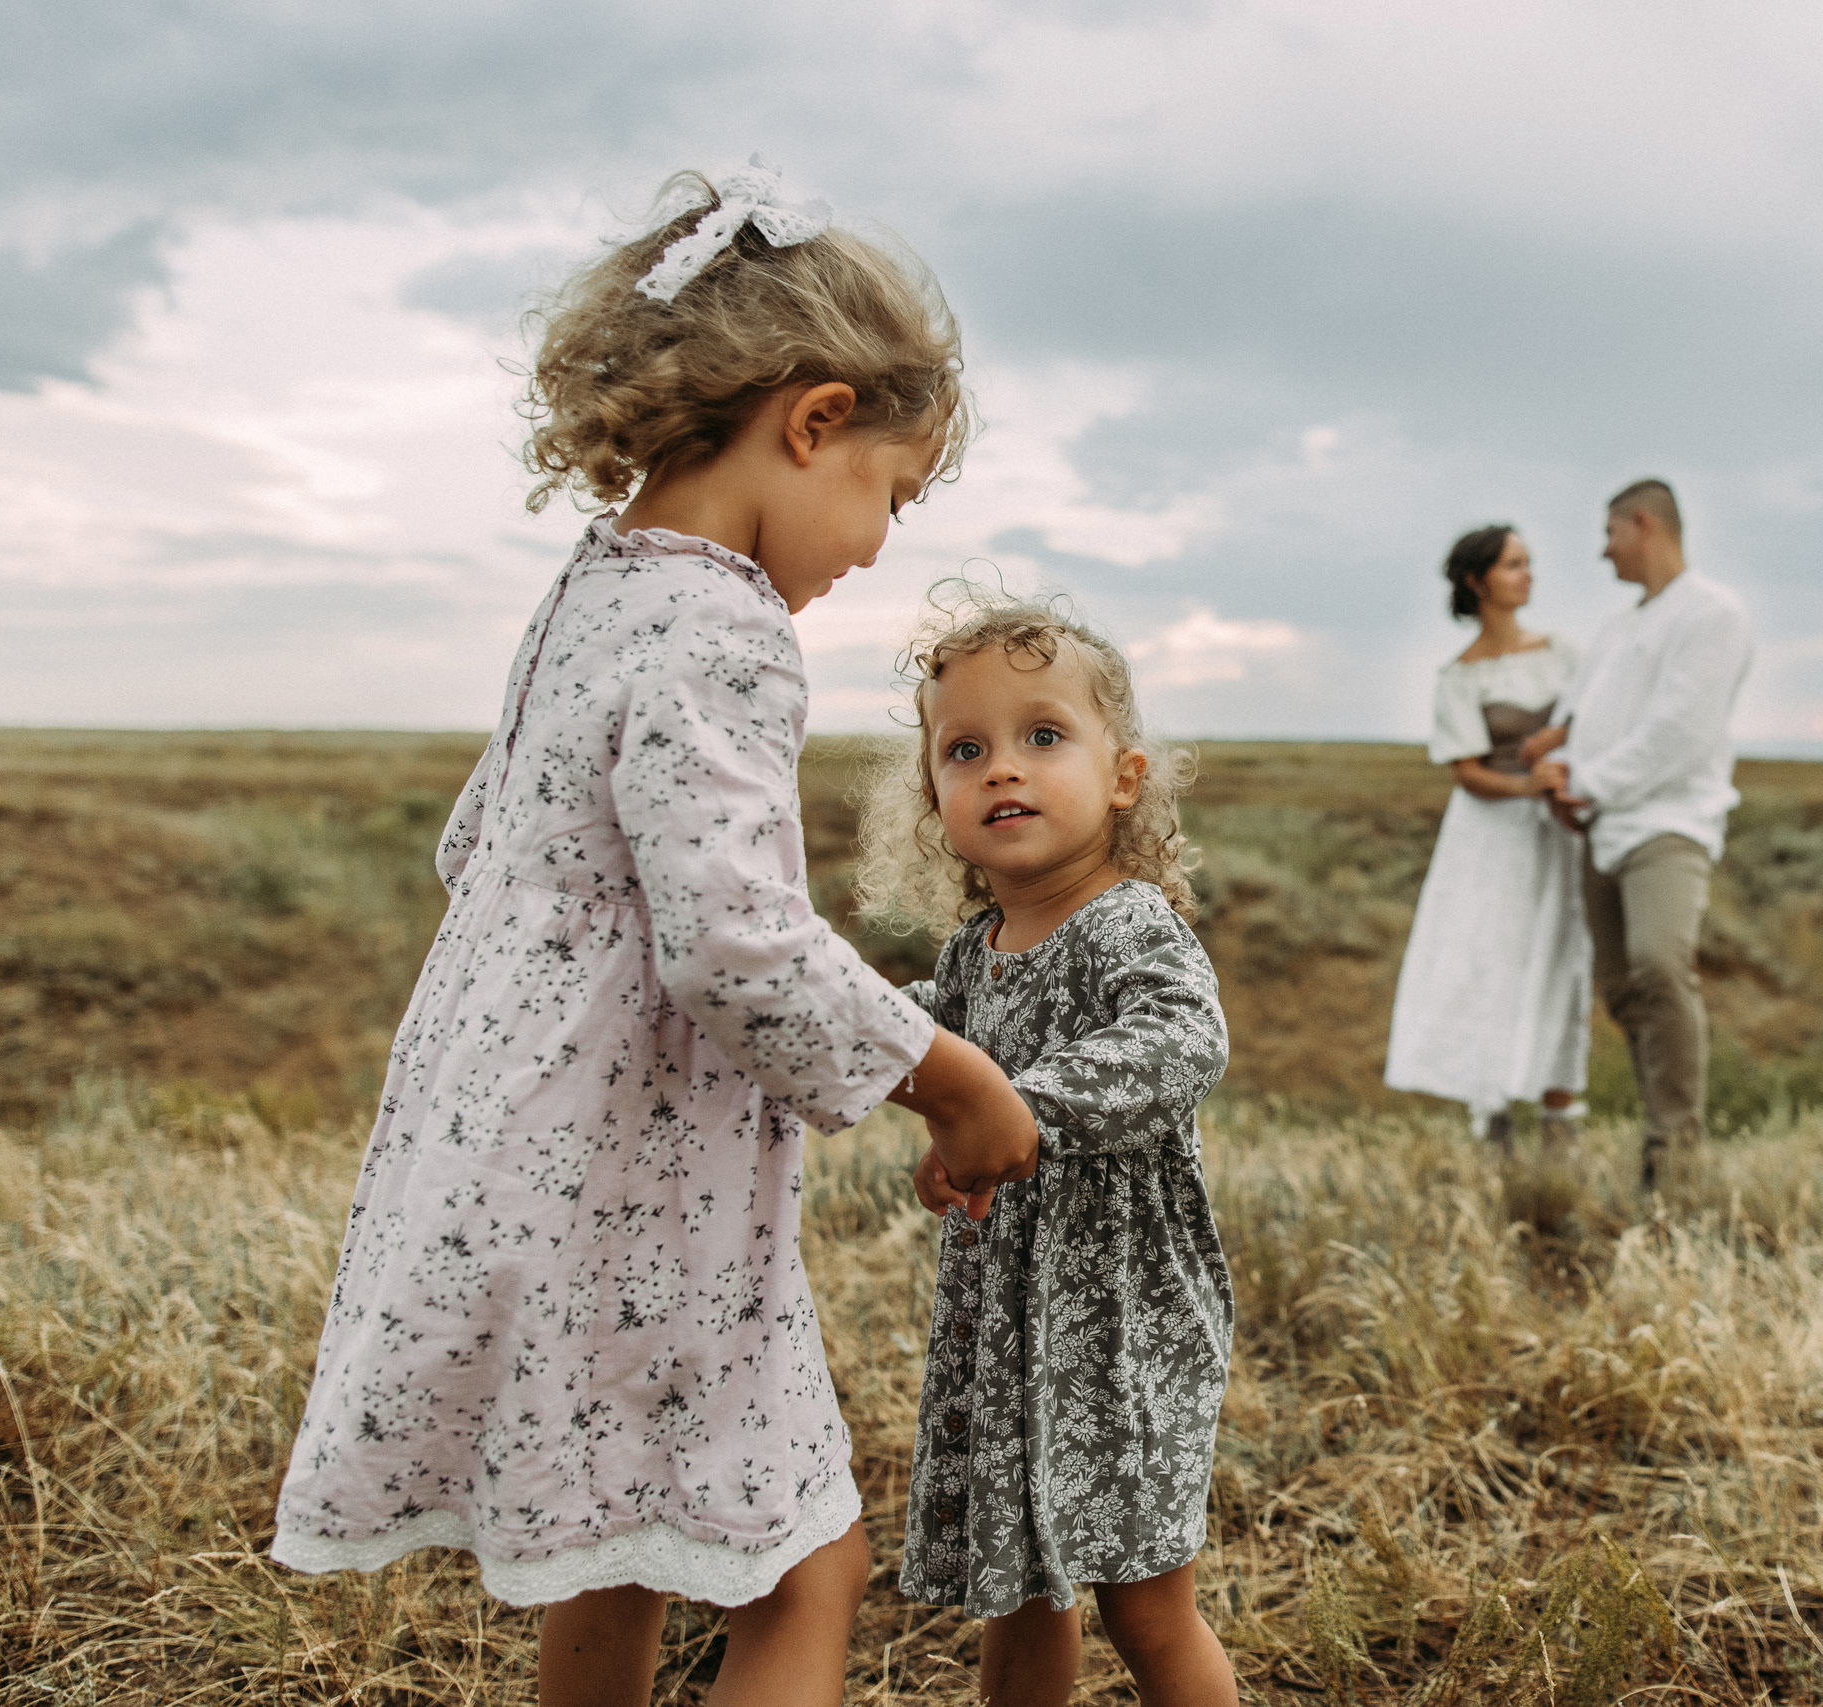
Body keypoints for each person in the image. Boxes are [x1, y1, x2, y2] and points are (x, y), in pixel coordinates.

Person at [268, 161, 1041, 1707]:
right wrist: (947, 1066)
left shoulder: (593, 591)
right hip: (633, 1193)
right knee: (801, 1556)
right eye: (889, 494)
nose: (881, 545)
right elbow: (740, 946)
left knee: (621, 1537)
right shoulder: (727, 626)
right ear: (811, 420)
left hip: (504, 1150)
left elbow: (472, 841)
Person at [852, 586, 1238, 1707]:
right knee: (1015, 1588)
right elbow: (930, 1037)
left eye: (1043, 736)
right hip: (1008, 1324)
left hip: (1118, 1325)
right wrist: (840, 1035)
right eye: (963, 750)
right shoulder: (978, 949)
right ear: (934, 795)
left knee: (1145, 1603)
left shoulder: (1129, 925)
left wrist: (1015, 1109)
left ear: (1123, 777)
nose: (1002, 769)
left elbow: (1181, 1038)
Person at [1527, 479, 1752, 1190]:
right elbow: (1576, 719)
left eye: (1610, 533)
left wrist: (1586, 781)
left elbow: (1679, 732)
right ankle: (1660, 1146)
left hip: (1669, 823)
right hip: (1601, 825)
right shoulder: (1617, 630)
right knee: (1624, 989)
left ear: (1644, 525)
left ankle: (1675, 1152)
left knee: (1660, 963)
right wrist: (1560, 769)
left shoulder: (1713, 614)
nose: (1603, 550)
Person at [1382, 525, 1592, 1148]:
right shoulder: (1459, 676)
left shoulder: (1562, 655)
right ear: (1478, 582)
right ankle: (1489, 1108)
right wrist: (1531, 786)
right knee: (1489, 959)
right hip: (1490, 838)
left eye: (1529, 564)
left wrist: (1560, 766)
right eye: (1513, 566)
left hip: (1556, 830)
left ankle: (1561, 1115)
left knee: (1560, 957)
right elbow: (1468, 772)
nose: (1528, 575)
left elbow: (1590, 721)